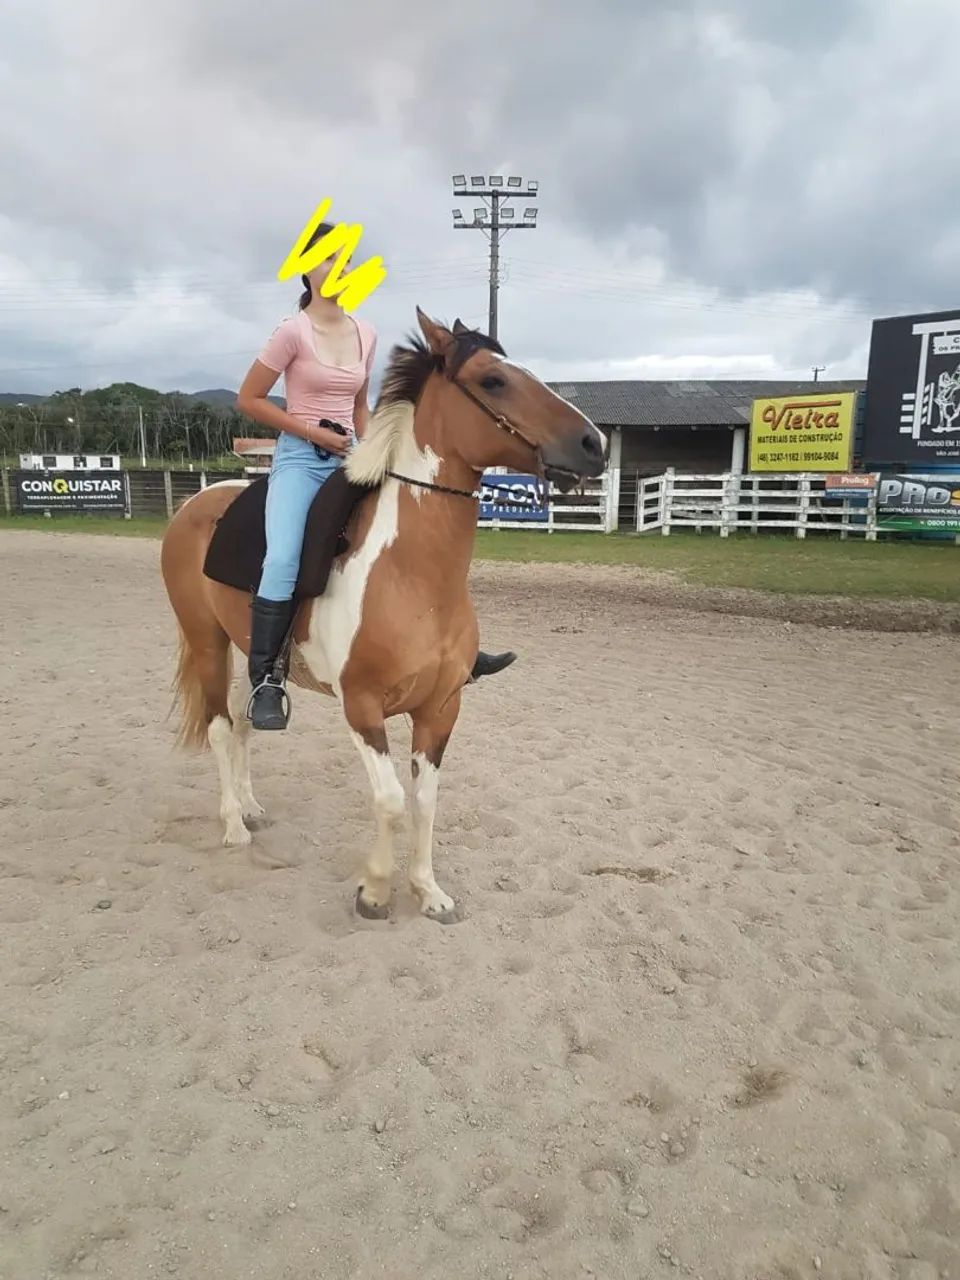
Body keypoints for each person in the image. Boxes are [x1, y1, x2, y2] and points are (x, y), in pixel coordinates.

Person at [235, 220, 516, 731]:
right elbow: (248, 399)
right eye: (325, 259)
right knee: (281, 558)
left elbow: (359, 405)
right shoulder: (291, 332)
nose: (336, 269)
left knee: (415, 540)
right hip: (301, 460)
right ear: (306, 269)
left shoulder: (365, 333)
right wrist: (313, 435)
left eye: (344, 260)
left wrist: (373, 452)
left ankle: (455, 652)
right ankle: (267, 679)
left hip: (352, 455)